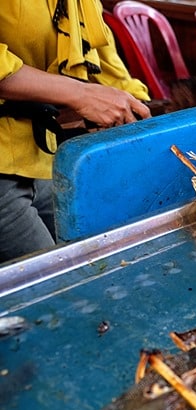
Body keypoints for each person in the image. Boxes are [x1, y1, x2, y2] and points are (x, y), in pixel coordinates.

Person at [0, 0, 152, 265]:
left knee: (90, 267)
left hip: (41, 159)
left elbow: (97, 50)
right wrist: (80, 94)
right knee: (56, 288)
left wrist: (136, 104)